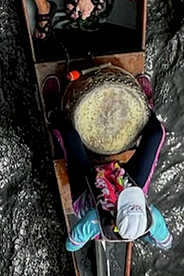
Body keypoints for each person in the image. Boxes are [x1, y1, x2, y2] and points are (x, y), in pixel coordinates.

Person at [60, 102, 171, 250]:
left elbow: (71, 246)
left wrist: (88, 234)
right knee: (156, 133)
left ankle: (55, 116)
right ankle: (144, 106)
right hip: (126, 182)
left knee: (68, 133)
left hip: (88, 192)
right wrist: (144, 234)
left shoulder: (94, 221)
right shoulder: (153, 218)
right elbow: (166, 244)